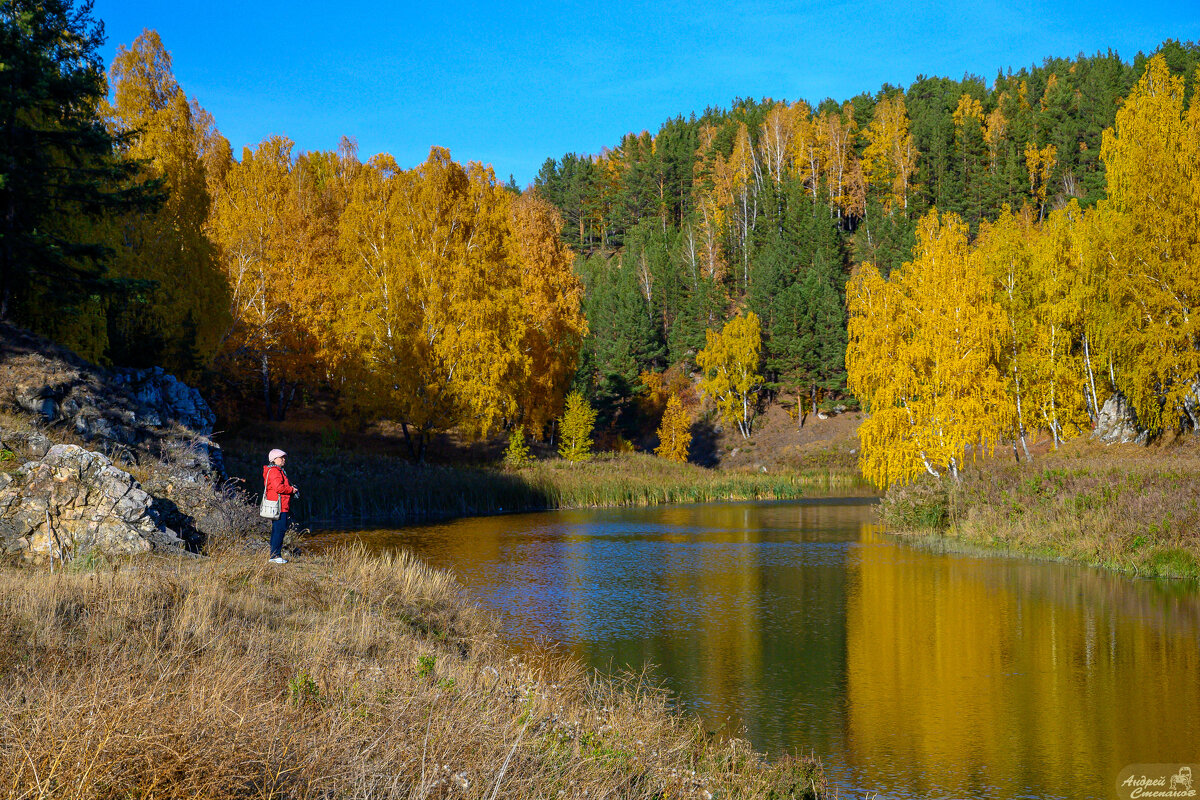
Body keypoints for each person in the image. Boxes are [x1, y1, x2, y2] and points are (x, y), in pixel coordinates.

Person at [263, 448, 298, 564]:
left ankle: (274, 555)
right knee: (280, 530)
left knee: (277, 530)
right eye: (281, 457)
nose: (284, 460)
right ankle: (275, 556)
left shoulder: (276, 470)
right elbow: (279, 488)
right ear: (274, 459)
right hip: (279, 506)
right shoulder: (275, 471)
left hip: (279, 505)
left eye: (284, 457)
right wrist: (291, 489)